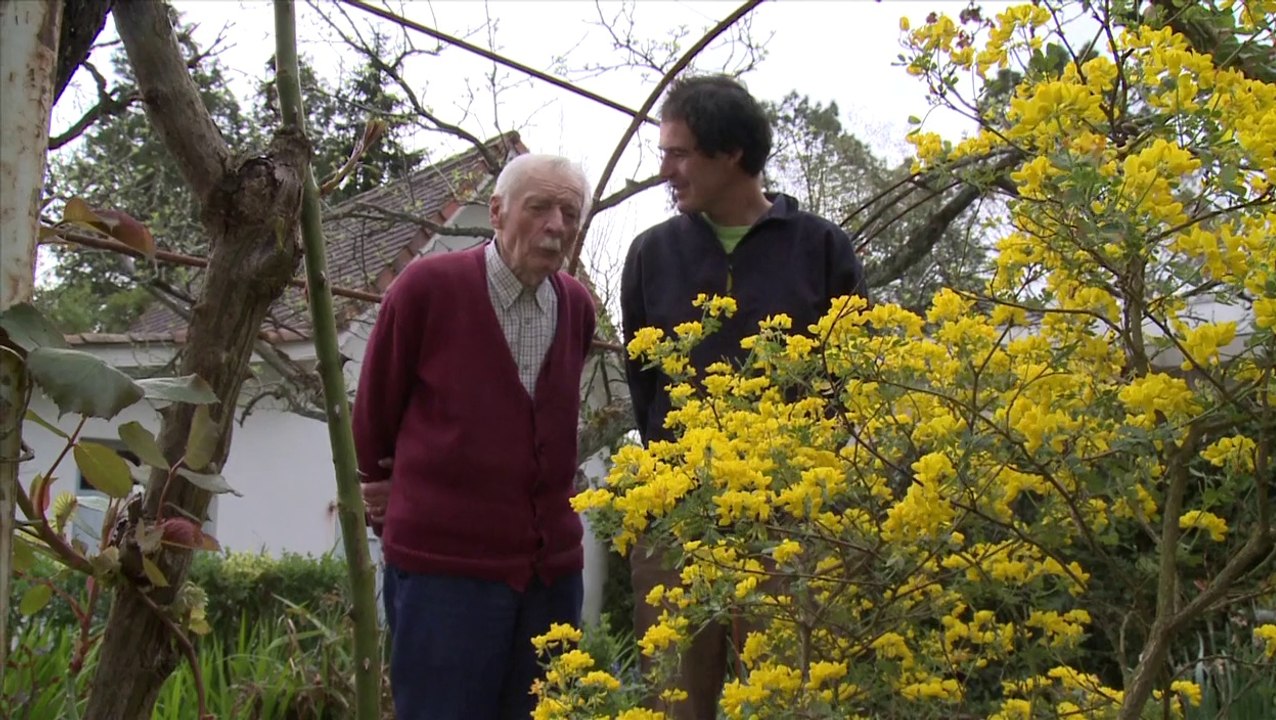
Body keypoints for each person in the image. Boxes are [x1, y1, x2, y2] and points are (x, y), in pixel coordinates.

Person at [620, 75, 868, 720]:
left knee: (793, 698)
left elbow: (856, 376)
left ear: (730, 153)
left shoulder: (819, 247)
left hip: (795, 516)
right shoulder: (650, 254)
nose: (664, 170)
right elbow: (645, 383)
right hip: (677, 516)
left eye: (678, 153)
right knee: (675, 701)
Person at [353, 153, 597, 720]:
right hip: (445, 570)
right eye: (539, 208)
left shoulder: (577, 306)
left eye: (569, 212)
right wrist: (379, 483)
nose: (556, 226)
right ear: (496, 211)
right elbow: (374, 405)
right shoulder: (428, 287)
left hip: (552, 573)